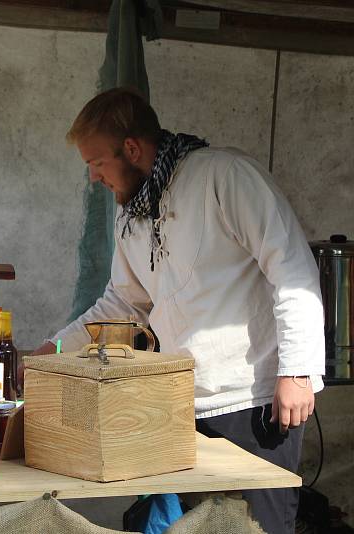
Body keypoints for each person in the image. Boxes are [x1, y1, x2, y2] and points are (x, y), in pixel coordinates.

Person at [33, 88, 324, 534]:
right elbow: (124, 303)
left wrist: (298, 370)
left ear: (131, 148)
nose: (93, 177)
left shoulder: (223, 175)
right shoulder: (132, 213)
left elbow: (291, 266)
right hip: (178, 405)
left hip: (254, 402)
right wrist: (53, 349)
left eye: (96, 163)